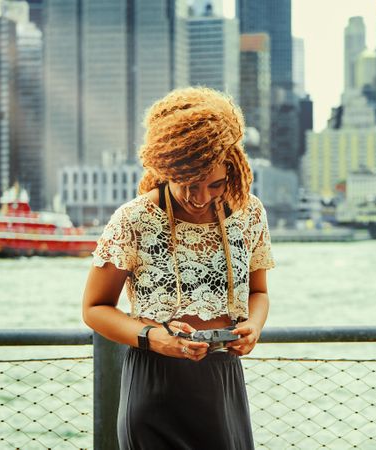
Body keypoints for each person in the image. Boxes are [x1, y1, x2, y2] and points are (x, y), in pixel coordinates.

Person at [82, 86, 275, 449]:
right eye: (189, 184)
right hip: (154, 385)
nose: (201, 197)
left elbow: (259, 293)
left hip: (223, 382)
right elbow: (94, 309)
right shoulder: (134, 218)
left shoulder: (249, 213)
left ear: (231, 170)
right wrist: (155, 338)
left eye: (214, 184)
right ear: (167, 168)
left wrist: (254, 325)